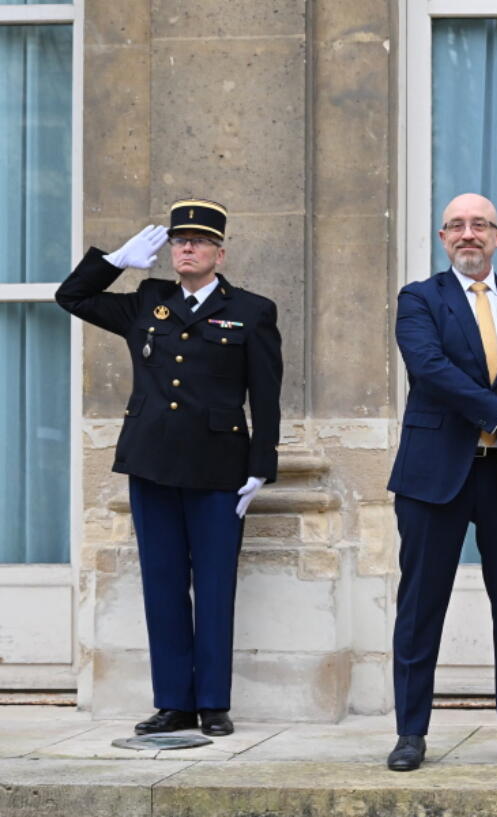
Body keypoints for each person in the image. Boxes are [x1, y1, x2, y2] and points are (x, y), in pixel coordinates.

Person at [55, 199, 283, 737]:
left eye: (199, 241)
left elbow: (267, 397)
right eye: (179, 240)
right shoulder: (147, 301)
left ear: (219, 252)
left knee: (215, 585)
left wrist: (261, 467)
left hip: (218, 470)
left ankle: (214, 702)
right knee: (162, 584)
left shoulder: (251, 310)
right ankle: (173, 702)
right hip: (152, 464)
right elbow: (72, 296)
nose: (186, 247)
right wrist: (114, 260)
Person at [385, 193, 497, 772]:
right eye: (457, 226)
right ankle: (411, 732)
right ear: (443, 238)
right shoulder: (420, 298)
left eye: (480, 226)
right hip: (433, 476)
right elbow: (431, 371)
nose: (469, 234)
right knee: (420, 607)